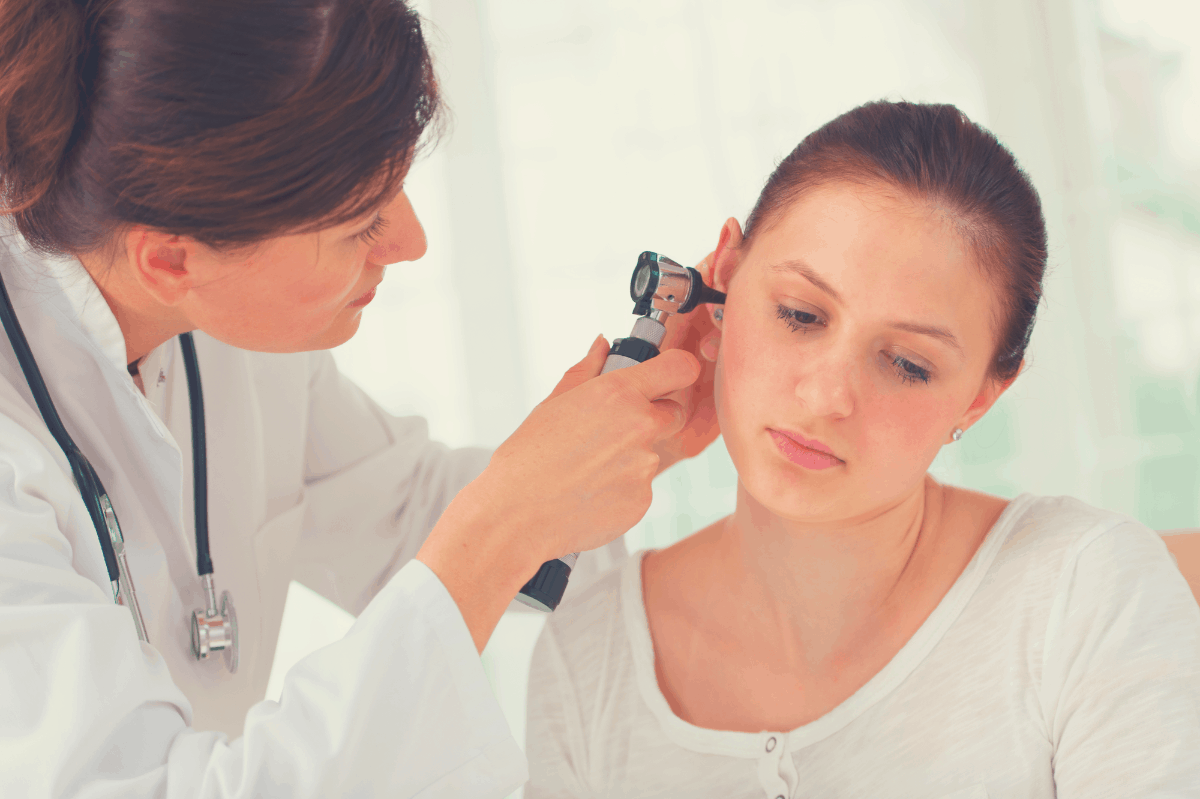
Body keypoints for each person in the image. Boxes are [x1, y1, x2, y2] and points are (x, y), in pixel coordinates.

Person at [0, 1, 720, 796]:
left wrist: (644, 422)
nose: (411, 242)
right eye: (360, 221)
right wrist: (509, 521)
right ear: (171, 261)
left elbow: (401, 514)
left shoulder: (221, 317)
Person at [524, 101, 1200, 798]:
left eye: (907, 362)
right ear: (723, 275)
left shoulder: (1085, 597)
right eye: (799, 315)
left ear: (978, 398)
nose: (826, 397)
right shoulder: (589, 656)